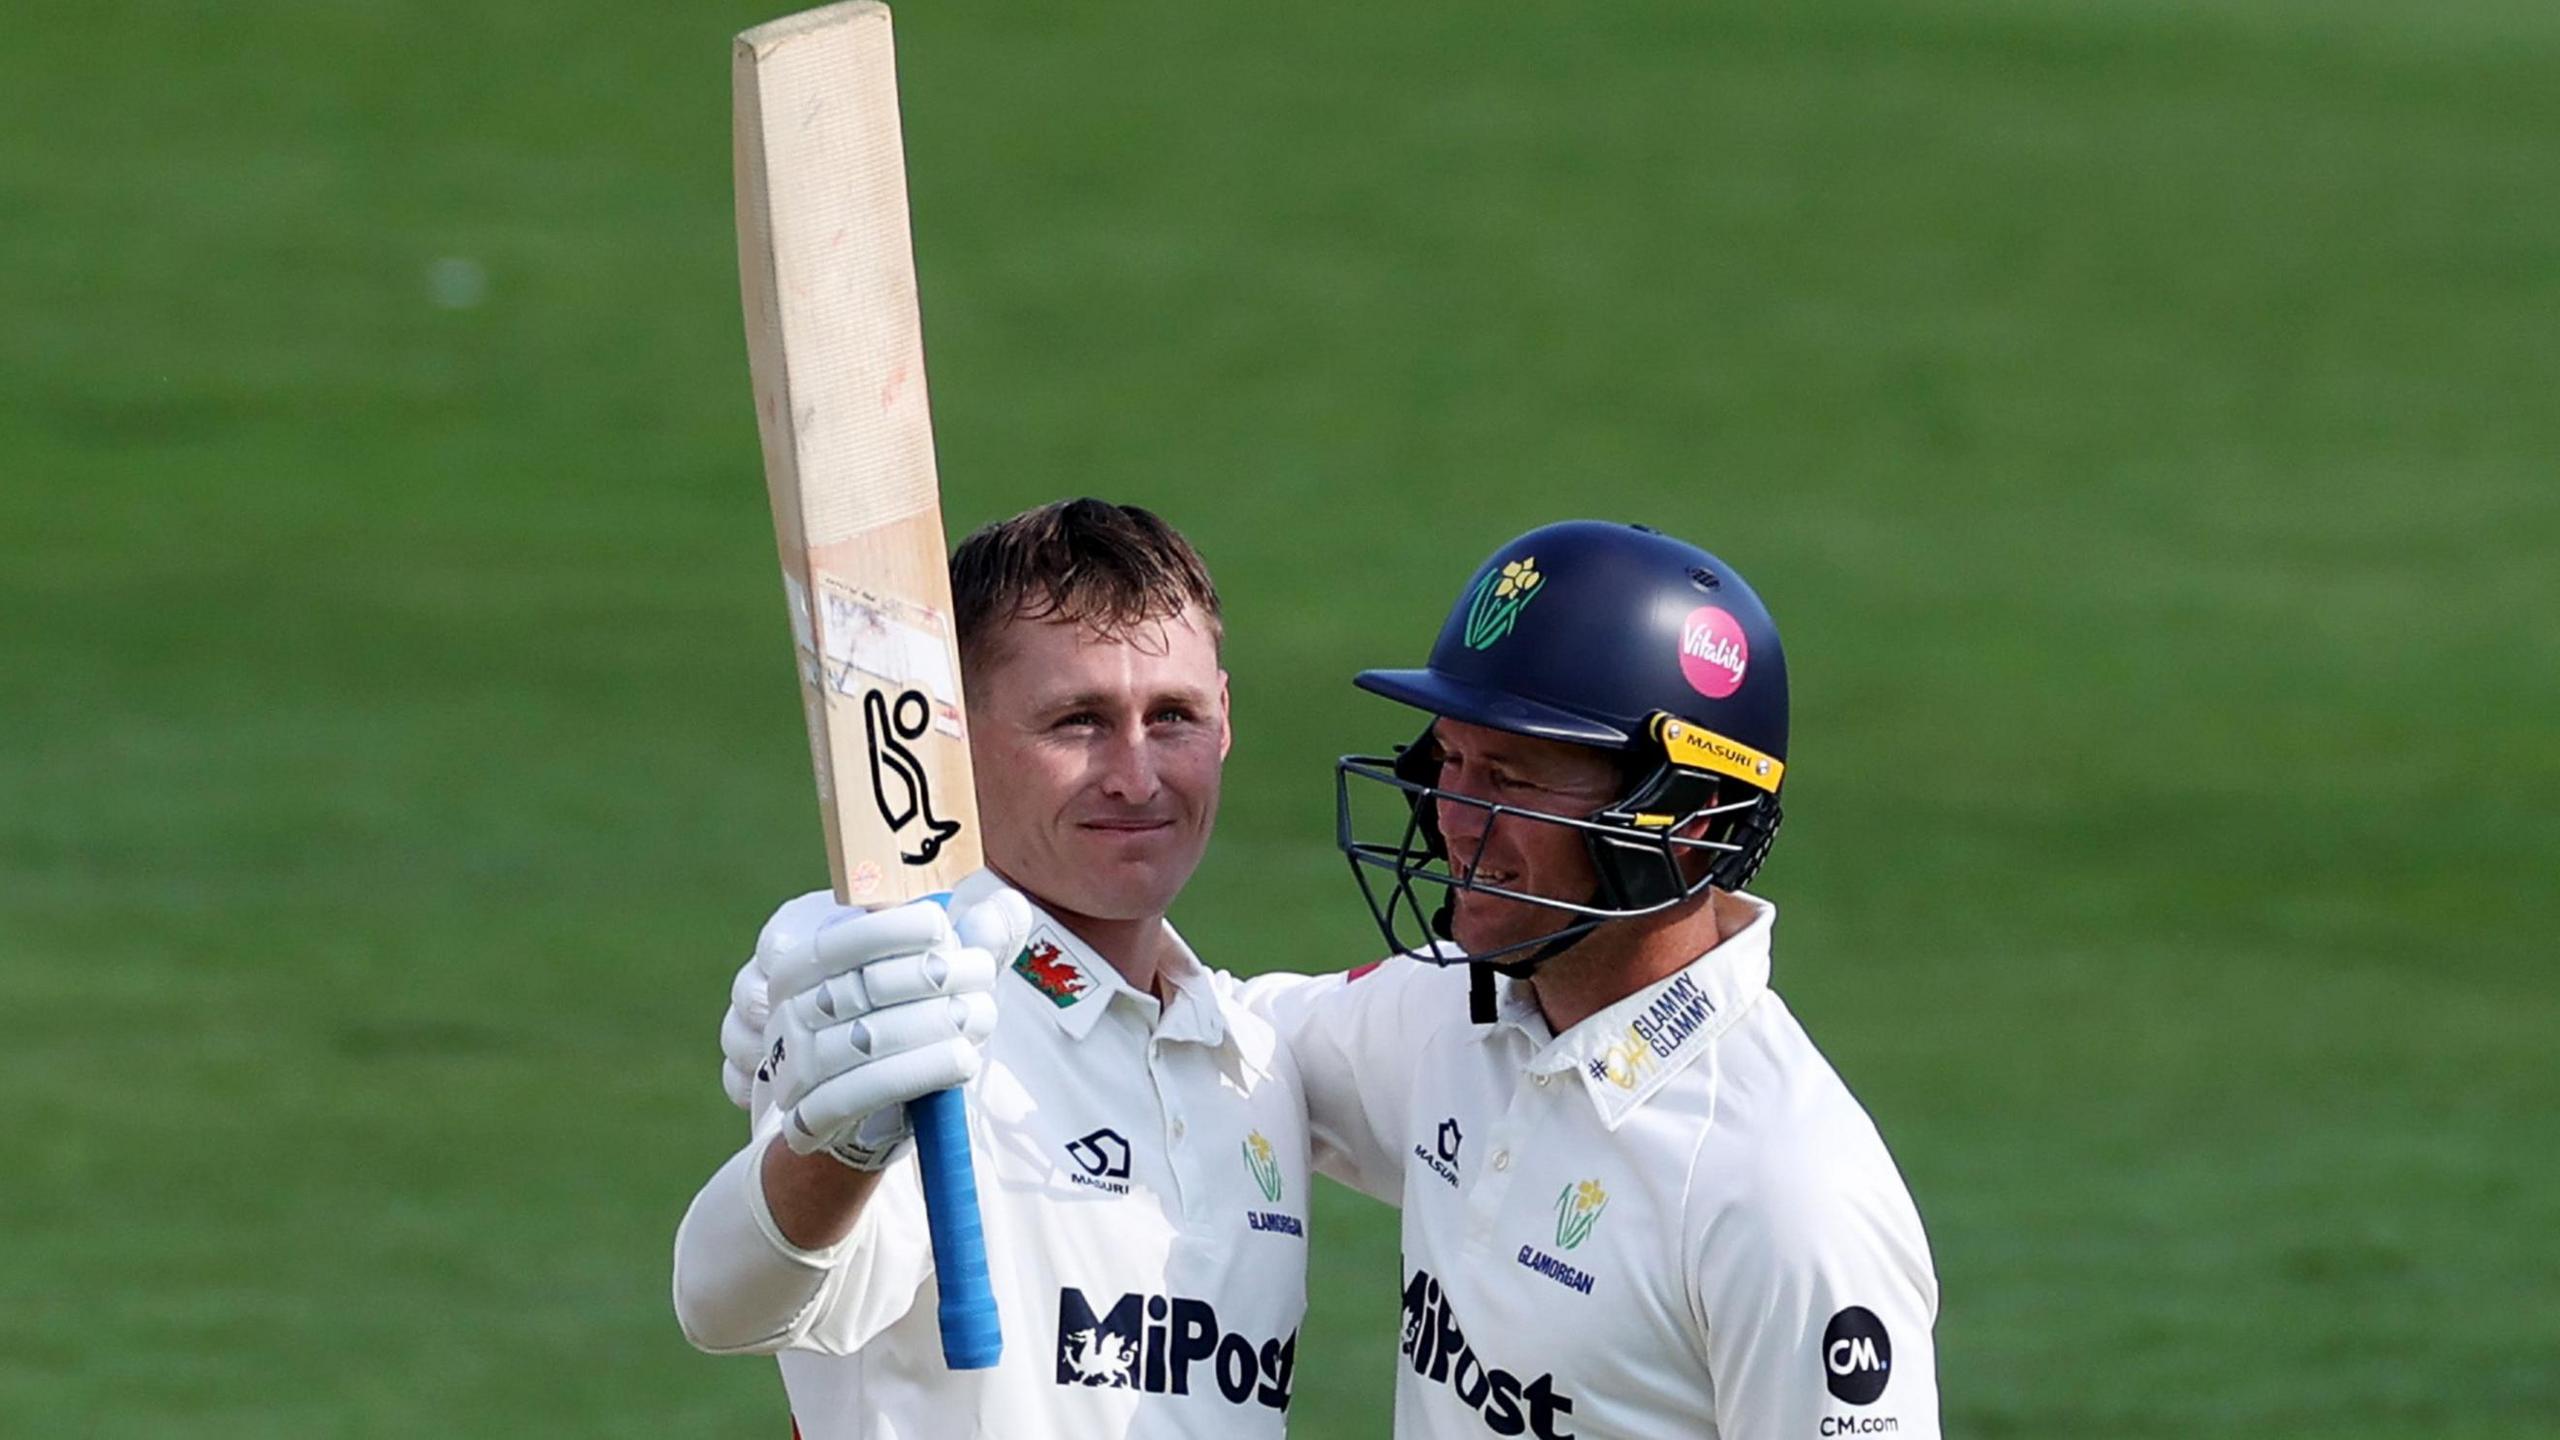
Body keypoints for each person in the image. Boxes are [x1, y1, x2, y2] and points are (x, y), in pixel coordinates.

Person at [674, 499, 1313, 1439]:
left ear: (1224, 722)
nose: (1137, 777)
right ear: (953, 737)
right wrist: (837, 1143)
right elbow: (732, 1304)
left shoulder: (1255, 1057)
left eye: (1172, 716)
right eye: (1078, 722)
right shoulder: (908, 1008)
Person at [1297, 519, 1943, 1437]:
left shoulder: (1786, 1197)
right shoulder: (1454, 1016)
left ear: (1688, 819)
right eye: (1450, 761)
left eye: (1512, 780)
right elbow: (1202, 1039)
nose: (1452, 820)